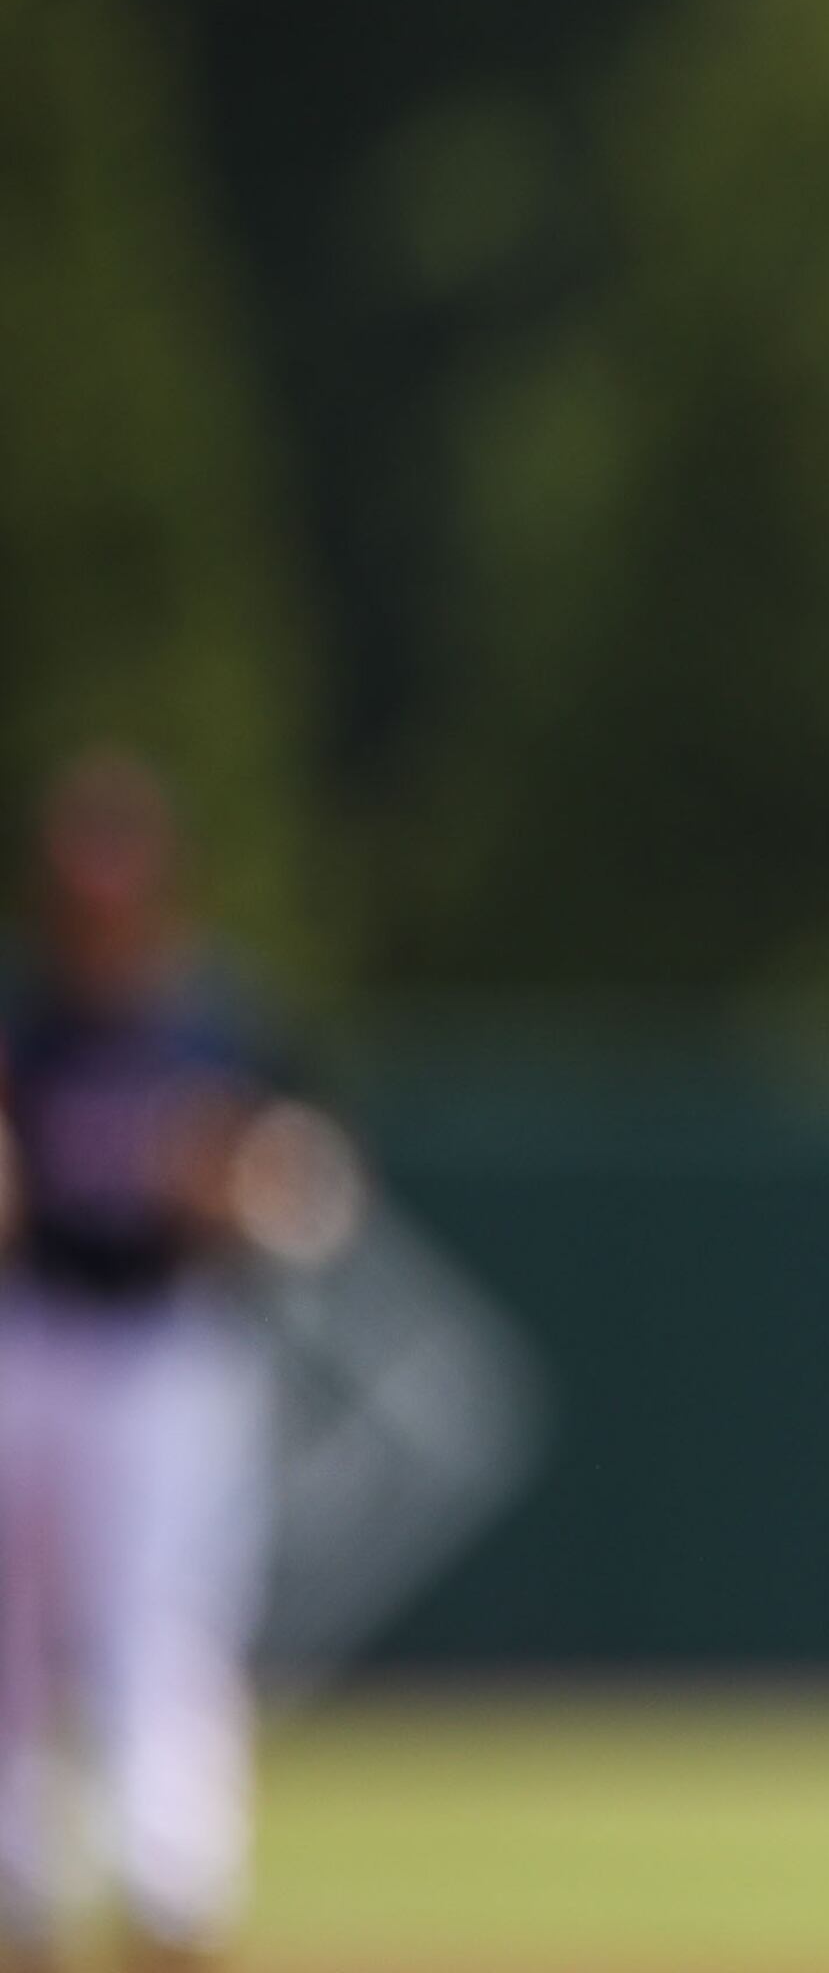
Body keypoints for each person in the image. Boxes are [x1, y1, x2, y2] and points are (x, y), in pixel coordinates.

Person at [0, 753, 335, 1973]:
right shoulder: (28, 1018)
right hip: (32, 1333)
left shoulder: (214, 1018)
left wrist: (236, 1188)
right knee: (15, 1627)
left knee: (163, 1621)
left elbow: (310, 1193)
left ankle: (168, 1883)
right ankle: (20, 1884)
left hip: (165, 1345)